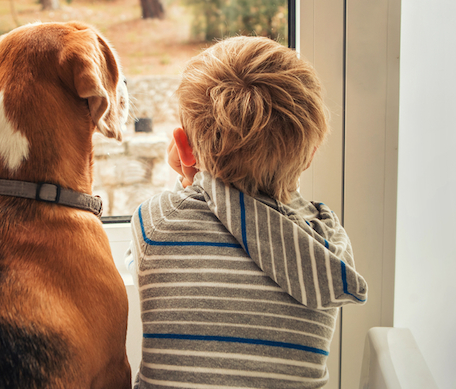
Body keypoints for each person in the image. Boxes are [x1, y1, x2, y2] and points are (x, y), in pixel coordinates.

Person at [128, 36, 368, 389]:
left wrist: (189, 179)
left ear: (183, 147)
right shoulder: (326, 243)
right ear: (313, 151)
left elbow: (139, 267)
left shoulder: (158, 222)